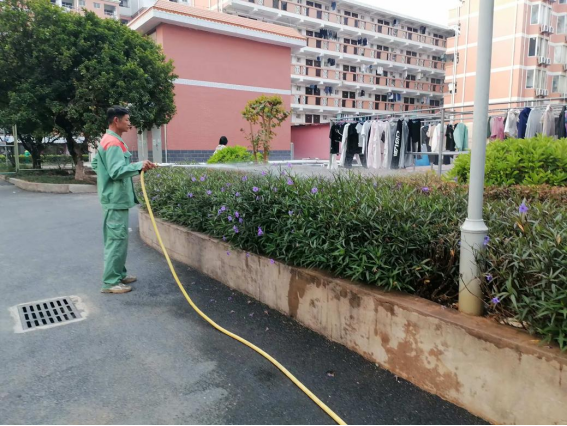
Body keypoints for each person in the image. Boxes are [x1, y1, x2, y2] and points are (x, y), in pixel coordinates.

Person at [92, 106, 157, 294]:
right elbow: (116, 171)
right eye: (127, 120)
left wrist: (104, 178)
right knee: (116, 240)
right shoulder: (112, 142)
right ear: (116, 120)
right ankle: (110, 282)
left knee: (119, 239)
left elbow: (97, 163)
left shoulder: (110, 140)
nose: (130, 123)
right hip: (115, 199)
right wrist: (138, 165)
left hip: (115, 199)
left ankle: (119, 274)